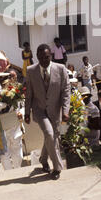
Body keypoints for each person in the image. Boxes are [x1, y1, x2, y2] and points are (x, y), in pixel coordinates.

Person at [24, 44, 70, 180]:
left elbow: (66, 92)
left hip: (55, 110)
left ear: (51, 56)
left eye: (47, 57)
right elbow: (29, 94)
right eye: (42, 57)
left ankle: (43, 159)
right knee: (50, 134)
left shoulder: (61, 69)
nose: (45, 60)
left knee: (50, 137)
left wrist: (65, 110)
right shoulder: (31, 70)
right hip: (39, 109)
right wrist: (27, 112)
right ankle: (57, 168)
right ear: (37, 57)